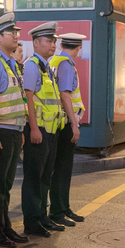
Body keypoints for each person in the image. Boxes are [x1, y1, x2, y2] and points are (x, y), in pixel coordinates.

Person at [0, 13, 29, 248]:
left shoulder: (9, 63)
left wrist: (20, 129)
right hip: (1, 133)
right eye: (12, 33)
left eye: (17, 33)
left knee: (7, 184)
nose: (17, 37)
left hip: (13, 130)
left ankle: (6, 227)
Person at [21, 22, 66, 238]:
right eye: (49, 41)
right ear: (36, 43)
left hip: (51, 131)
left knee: (45, 176)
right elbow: (28, 98)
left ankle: (42, 216)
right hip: (39, 132)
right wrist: (33, 128)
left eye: (54, 41)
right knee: (34, 178)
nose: (53, 45)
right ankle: (32, 221)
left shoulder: (46, 66)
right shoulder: (32, 65)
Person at [48, 32, 88, 225]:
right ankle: (58, 211)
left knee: (61, 168)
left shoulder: (55, 61)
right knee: (63, 169)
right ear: (78, 48)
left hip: (58, 121)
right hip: (65, 123)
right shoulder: (66, 64)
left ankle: (63, 208)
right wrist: (74, 124)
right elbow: (65, 95)